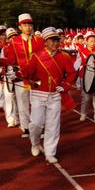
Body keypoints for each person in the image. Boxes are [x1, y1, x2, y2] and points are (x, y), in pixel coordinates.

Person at [24, 27, 77, 164]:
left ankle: (50, 152)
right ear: (45, 41)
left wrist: (65, 85)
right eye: (52, 40)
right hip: (38, 94)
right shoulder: (36, 56)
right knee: (36, 124)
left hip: (55, 95)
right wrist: (19, 75)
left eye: (57, 40)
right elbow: (27, 74)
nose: (55, 43)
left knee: (53, 125)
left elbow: (72, 73)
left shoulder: (63, 56)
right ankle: (35, 143)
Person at [5, 13, 45, 138]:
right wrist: (12, 70)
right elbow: (11, 60)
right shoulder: (14, 42)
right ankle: (26, 128)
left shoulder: (39, 41)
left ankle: (39, 127)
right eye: (24, 25)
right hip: (20, 77)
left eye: (29, 24)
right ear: (20, 27)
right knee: (23, 103)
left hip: (36, 77)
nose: (28, 27)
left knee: (38, 103)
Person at [77, 31, 95, 123]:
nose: (93, 43)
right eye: (91, 41)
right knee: (86, 97)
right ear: (86, 41)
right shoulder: (81, 50)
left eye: (94, 41)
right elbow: (76, 64)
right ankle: (83, 113)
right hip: (85, 77)